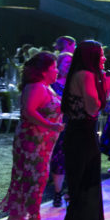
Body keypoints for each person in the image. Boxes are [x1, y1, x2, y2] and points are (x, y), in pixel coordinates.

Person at [53, 41, 110, 220]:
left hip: (82, 135)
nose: (105, 58)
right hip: (81, 137)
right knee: (83, 190)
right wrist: (107, 84)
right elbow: (93, 108)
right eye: (101, 54)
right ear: (91, 56)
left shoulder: (83, 73)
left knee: (89, 188)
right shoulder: (86, 74)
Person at [0, 52, 63, 220]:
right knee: (36, 179)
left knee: (28, 177)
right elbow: (28, 111)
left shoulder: (45, 86)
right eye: (54, 68)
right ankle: (34, 219)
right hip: (32, 143)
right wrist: (51, 125)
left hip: (41, 142)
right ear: (43, 71)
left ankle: (17, 215)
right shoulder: (36, 87)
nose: (56, 71)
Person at [49, 51, 71, 207]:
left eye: (72, 62)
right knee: (58, 161)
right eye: (66, 62)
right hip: (58, 127)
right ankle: (57, 193)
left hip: (75, 126)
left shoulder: (77, 82)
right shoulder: (53, 84)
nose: (69, 65)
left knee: (73, 161)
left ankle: (70, 192)